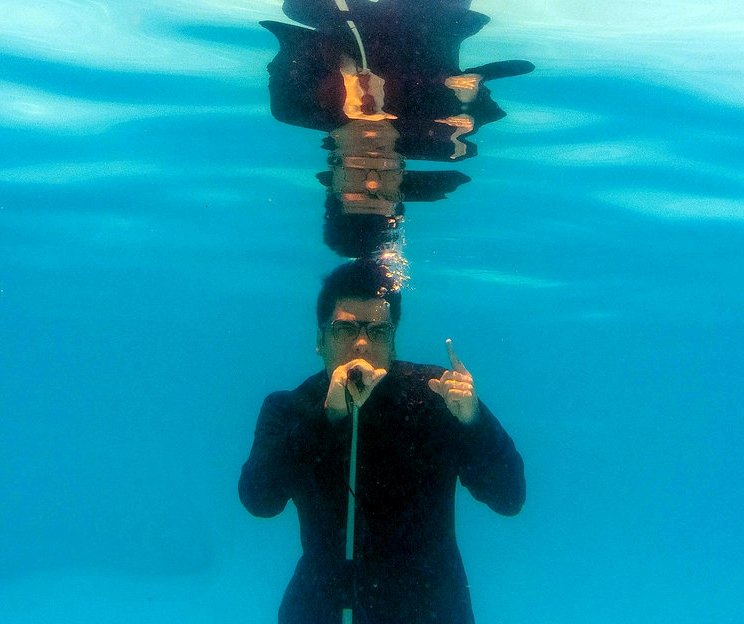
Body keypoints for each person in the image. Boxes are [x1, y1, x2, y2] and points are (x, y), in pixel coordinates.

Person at [239, 259, 525, 624]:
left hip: (429, 611)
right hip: (321, 610)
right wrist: (327, 419)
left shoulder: (435, 397)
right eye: (345, 329)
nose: (361, 343)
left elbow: (510, 497)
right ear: (319, 340)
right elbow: (259, 500)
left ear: (393, 341)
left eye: (378, 331)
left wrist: (474, 422)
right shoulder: (289, 408)